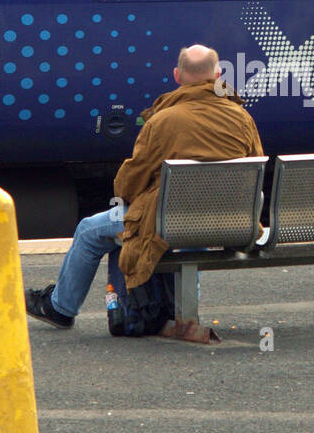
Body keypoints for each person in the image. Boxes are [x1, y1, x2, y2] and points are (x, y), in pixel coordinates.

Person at [26, 44, 264, 329]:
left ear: (177, 75)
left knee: (89, 231)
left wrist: (131, 199)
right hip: (225, 222)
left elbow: (131, 180)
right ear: (218, 74)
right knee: (165, 234)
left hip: (169, 224)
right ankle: (181, 310)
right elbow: (255, 168)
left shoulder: (162, 120)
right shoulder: (242, 118)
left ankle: (60, 308)